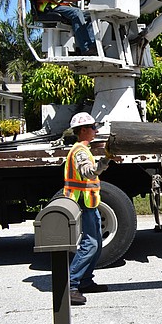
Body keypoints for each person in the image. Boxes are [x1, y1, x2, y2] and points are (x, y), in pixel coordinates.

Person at [64, 112, 111, 305]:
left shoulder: (83, 149)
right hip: (83, 204)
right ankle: (71, 285)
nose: (96, 130)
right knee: (90, 245)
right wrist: (105, 160)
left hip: (89, 203)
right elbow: (88, 172)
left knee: (96, 244)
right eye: (92, 128)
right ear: (83, 130)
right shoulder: (81, 152)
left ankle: (85, 281)